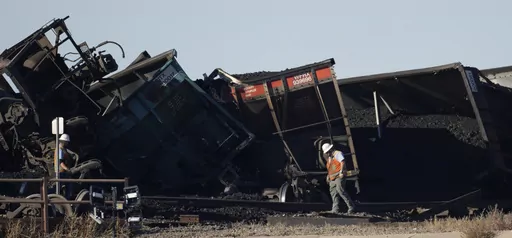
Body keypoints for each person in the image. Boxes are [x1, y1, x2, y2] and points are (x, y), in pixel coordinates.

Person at [322, 143, 356, 214]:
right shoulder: (330, 158)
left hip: (339, 176)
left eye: (328, 152)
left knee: (340, 190)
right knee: (333, 193)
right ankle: (335, 209)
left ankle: (351, 207)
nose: (327, 154)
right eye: (326, 152)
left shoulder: (338, 153)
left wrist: (341, 172)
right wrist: (328, 176)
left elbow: (342, 162)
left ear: (331, 149)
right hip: (332, 178)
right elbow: (330, 168)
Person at [55, 134, 77, 199]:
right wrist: (67, 169)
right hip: (61, 172)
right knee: (66, 185)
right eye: (67, 142)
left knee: (64, 185)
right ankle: (66, 200)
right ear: (64, 141)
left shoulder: (62, 149)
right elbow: (60, 162)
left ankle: (66, 199)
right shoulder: (60, 149)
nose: (67, 143)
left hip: (62, 171)